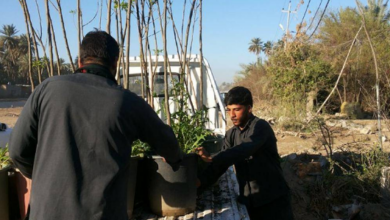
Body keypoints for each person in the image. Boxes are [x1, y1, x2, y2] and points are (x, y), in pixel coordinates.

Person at [9, 30, 183, 220]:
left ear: (79, 61)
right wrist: (174, 159)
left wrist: (44, 176)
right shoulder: (127, 102)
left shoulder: (47, 89)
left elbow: (17, 151)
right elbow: (168, 143)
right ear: (115, 62)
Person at [196, 86, 294, 220]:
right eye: (228, 110)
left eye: (237, 109)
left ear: (249, 108)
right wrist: (200, 182)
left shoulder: (260, 127)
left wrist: (212, 157)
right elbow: (221, 165)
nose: (232, 115)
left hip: (273, 200)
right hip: (249, 202)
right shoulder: (231, 134)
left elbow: (243, 150)